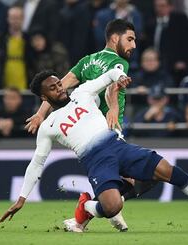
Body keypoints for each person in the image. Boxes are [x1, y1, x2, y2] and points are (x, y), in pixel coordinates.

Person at [0, 69, 188, 234]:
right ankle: (87, 206)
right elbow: (37, 164)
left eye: (59, 83)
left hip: (118, 146)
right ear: (44, 96)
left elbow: (111, 74)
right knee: (113, 207)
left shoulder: (83, 93)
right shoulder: (48, 126)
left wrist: (121, 77)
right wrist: (21, 199)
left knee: (166, 169)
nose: (60, 89)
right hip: (96, 161)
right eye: (53, 88)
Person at [24, 19, 158, 231]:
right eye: (130, 40)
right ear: (115, 38)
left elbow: (61, 84)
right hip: (107, 128)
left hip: (90, 128)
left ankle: (101, 211)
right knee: (146, 177)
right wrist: (113, 108)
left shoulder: (88, 61)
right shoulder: (121, 62)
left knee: (125, 180)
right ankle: (89, 212)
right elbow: (114, 82)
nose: (133, 46)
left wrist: (41, 113)